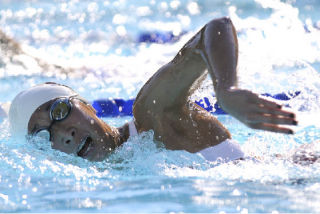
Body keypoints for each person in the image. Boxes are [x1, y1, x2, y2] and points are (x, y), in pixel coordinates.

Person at [7, 17, 298, 162]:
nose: (63, 134)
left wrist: (227, 89)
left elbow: (216, 28)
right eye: (43, 136)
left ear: (86, 104)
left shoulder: (153, 116)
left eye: (60, 111)